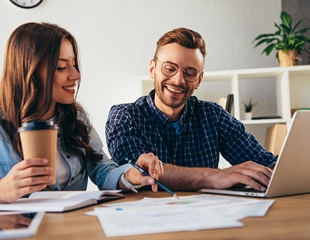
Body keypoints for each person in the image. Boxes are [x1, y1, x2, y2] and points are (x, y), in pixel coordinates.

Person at [0, 22, 163, 210]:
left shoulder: (75, 118)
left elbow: (101, 168)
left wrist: (129, 175)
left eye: (74, 64)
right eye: (62, 67)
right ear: (29, 71)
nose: (76, 75)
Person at [106, 27, 276, 192]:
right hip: (147, 216)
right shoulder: (124, 116)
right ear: (153, 69)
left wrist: (281, 169)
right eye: (170, 68)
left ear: (199, 80)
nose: (178, 80)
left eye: (190, 72)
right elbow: (139, 171)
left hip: (208, 216)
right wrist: (216, 176)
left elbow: (265, 163)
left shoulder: (213, 116)